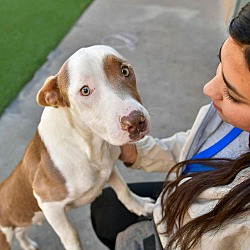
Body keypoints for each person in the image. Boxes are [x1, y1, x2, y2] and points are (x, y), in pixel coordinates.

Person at [91, 3, 250, 250]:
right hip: (178, 203)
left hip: (181, 238)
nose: (208, 88)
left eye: (231, 94)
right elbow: (197, 148)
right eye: (220, 64)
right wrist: (138, 151)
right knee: (105, 207)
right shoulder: (232, 121)